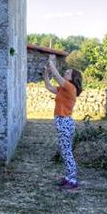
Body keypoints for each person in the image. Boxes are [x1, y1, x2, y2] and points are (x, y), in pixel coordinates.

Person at [42, 54, 83, 190]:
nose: (65, 72)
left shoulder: (71, 88)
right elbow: (49, 86)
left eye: (68, 72)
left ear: (73, 77)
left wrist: (51, 61)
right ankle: (68, 177)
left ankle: (72, 180)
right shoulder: (64, 89)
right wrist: (45, 73)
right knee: (65, 151)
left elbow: (57, 76)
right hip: (62, 123)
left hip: (65, 123)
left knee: (66, 152)